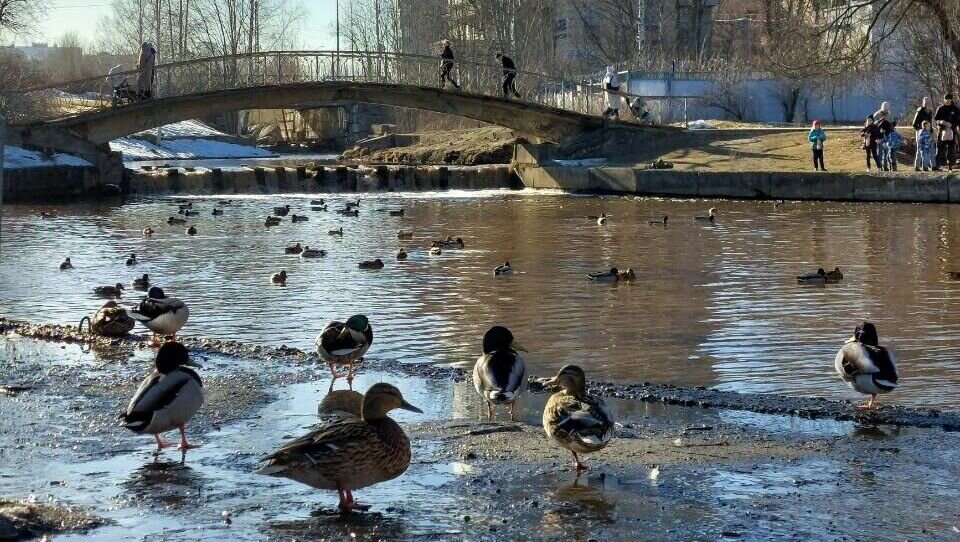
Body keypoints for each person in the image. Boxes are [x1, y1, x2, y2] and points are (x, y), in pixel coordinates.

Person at [934, 93, 960, 169]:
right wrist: (942, 122)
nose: (947, 101)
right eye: (946, 99)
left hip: (952, 131)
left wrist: (952, 125)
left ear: (951, 100)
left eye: (948, 99)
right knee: (939, 148)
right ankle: (937, 165)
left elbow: (958, 121)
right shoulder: (940, 108)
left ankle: (950, 165)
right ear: (944, 99)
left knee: (951, 149)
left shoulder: (955, 109)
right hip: (941, 131)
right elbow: (936, 119)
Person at [912, 97, 934, 170]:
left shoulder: (930, 111)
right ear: (923, 103)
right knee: (919, 149)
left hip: (929, 132)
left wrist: (930, 130)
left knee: (931, 149)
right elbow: (914, 124)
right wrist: (921, 131)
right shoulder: (920, 111)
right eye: (926, 102)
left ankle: (932, 166)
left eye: (928, 102)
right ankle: (917, 166)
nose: (927, 104)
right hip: (920, 132)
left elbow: (930, 122)